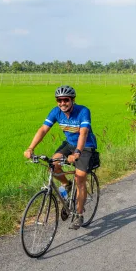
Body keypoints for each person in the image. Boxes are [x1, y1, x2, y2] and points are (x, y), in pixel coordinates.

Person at [23, 85, 98, 230]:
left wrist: (77, 153)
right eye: (59, 100)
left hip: (86, 146)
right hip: (69, 144)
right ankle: (67, 185)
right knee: (53, 164)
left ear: (72, 100)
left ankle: (79, 214)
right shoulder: (56, 112)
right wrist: (31, 148)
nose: (62, 103)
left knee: (80, 178)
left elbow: (83, 133)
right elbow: (43, 129)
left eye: (66, 100)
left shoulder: (83, 111)